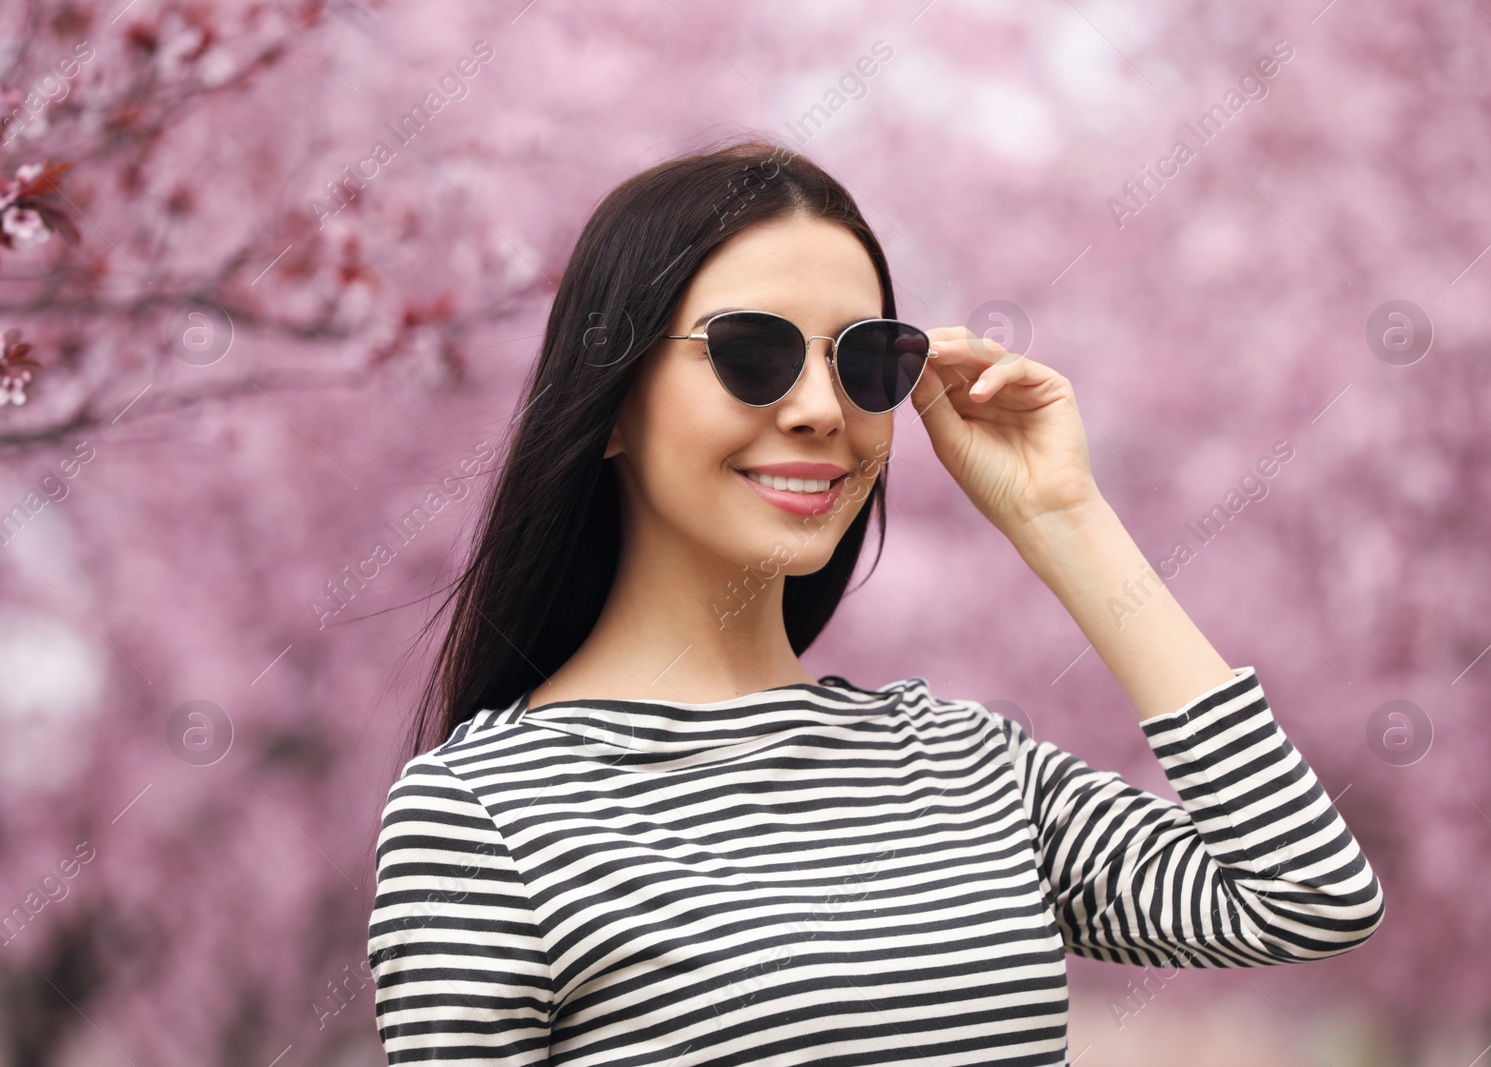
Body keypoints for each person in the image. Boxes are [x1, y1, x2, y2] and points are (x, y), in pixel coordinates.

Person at [367, 136, 1385, 1065]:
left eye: (864, 362)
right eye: (751, 352)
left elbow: (1306, 895)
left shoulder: (965, 763)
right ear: (610, 406)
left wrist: (1064, 519)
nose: (818, 409)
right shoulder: (484, 818)